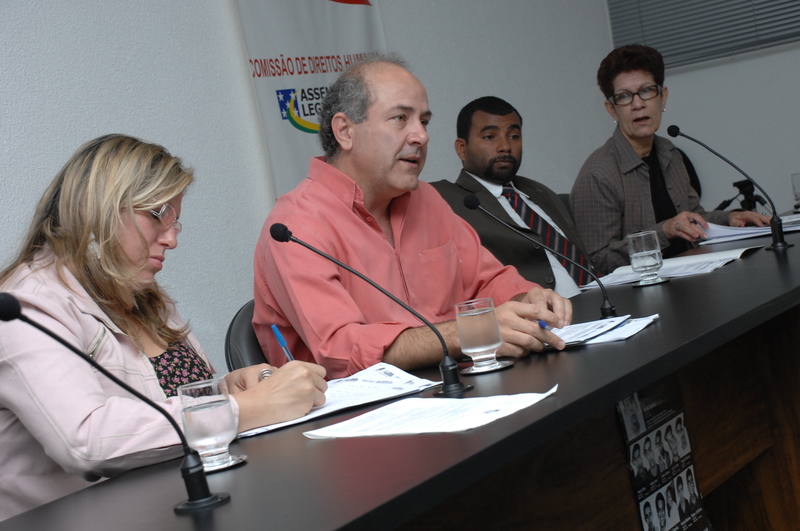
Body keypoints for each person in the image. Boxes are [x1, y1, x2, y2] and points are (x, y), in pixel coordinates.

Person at [0, 135, 327, 521]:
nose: (171, 240)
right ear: (96, 210)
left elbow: (162, 402)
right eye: (157, 215)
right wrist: (246, 407)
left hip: (178, 503)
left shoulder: (142, 295)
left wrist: (227, 388)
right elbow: (87, 440)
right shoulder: (27, 305)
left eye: (175, 222)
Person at [253, 55, 571, 379]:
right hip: (368, 407)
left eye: (424, 121)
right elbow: (341, 352)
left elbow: (486, 280)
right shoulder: (296, 227)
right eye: (400, 119)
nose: (421, 136)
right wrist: (469, 332)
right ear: (345, 132)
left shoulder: (426, 199)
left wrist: (527, 299)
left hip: (457, 385)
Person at [571, 44, 770, 275]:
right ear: (612, 109)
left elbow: (694, 216)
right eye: (624, 96)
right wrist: (664, 231)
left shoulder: (669, 152)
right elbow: (598, 262)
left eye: (646, 91)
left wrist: (731, 218)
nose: (638, 104)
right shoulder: (597, 174)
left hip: (693, 274)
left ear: (662, 97)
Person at [431, 96, 590, 297]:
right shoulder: (449, 200)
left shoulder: (539, 192)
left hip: (602, 299)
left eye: (514, 136)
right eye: (490, 137)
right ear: (462, 149)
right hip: (541, 310)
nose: (505, 146)